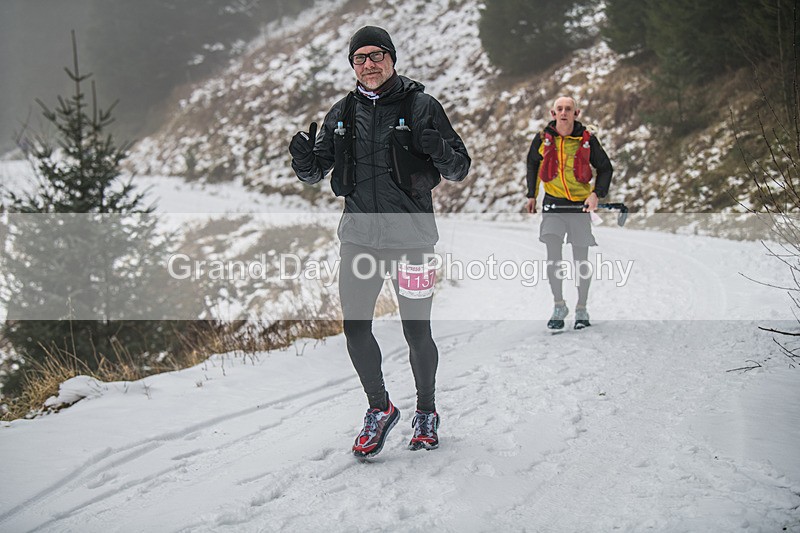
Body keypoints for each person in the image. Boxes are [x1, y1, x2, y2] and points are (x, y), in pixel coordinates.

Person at [289, 26, 470, 458]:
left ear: (391, 58)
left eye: (376, 55)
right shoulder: (341, 113)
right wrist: (303, 161)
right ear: (353, 65)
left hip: (412, 240)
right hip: (359, 241)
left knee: (417, 333)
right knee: (354, 329)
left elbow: (459, 167)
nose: (368, 64)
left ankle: (426, 412)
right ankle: (380, 408)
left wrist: (438, 147)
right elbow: (317, 173)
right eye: (360, 58)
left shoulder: (423, 106)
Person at [525, 96, 613, 330]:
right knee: (553, 257)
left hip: (579, 206)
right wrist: (531, 195)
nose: (564, 112)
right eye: (560, 109)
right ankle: (559, 304)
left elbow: (605, 168)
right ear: (553, 113)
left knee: (580, 261)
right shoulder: (542, 139)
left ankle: (582, 308)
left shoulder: (587, 140)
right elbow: (532, 163)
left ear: (577, 113)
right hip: (553, 205)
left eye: (568, 109)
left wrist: (596, 194)